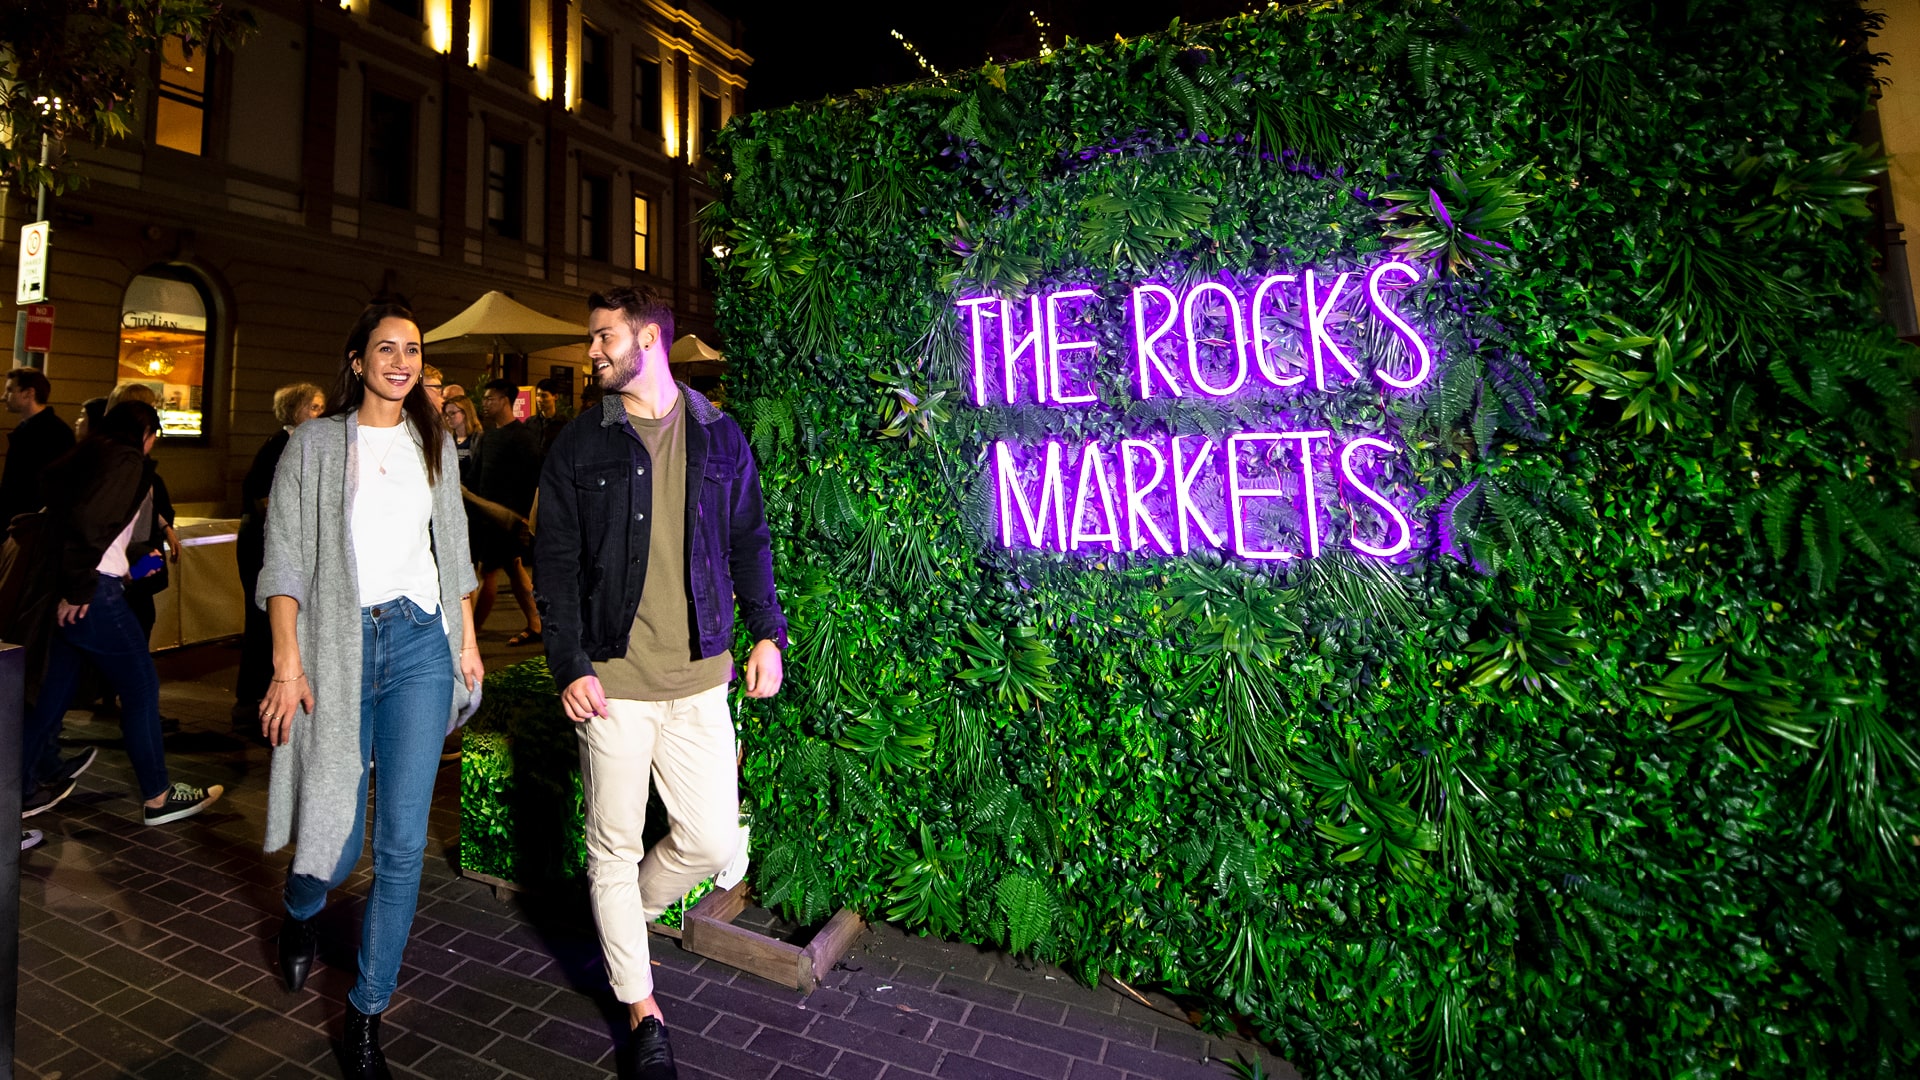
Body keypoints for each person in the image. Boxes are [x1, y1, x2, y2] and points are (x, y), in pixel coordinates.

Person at [534, 286, 787, 1079]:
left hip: (701, 678)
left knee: (712, 838)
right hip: (612, 681)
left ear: (648, 338)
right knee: (610, 845)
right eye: (590, 339)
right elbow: (555, 565)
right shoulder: (580, 443)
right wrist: (568, 662)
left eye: (603, 337)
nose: (591, 351)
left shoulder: (717, 434)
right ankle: (643, 1014)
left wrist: (767, 633)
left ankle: (625, 922)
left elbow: (750, 540)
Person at [257, 303, 482, 1078]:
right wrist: (288, 663)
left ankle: (365, 1014)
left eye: (412, 349)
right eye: (384, 347)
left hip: (421, 643)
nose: (401, 359)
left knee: (401, 846)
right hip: (340, 647)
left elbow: (451, 546)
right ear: (356, 361)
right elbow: (283, 561)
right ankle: (301, 910)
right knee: (338, 835)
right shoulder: (315, 444)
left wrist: (469, 644)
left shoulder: (433, 443)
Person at [19, 400, 224, 824]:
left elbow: (90, 527)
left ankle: (23, 783)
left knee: (52, 694)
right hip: (95, 594)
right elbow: (91, 525)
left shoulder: (92, 457)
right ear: (146, 433)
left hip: (78, 589)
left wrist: (87, 582)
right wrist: (80, 590)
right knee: (141, 688)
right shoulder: (127, 460)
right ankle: (158, 796)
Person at [233, 382, 327, 732]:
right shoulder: (280, 446)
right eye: (314, 407)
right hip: (263, 545)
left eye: (322, 407)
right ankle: (254, 704)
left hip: (272, 543)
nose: (320, 414)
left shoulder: (295, 444)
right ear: (295, 410)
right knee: (264, 621)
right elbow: (265, 501)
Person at [469, 378, 542, 645]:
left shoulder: (522, 437)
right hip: (487, 518)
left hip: (508, 520)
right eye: (484, 399)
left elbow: (533, 479)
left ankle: (471, 636)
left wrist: (524, 518)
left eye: (490, 398)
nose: (485, 403)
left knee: (487, 572)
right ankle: (537, 625)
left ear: (505, 400)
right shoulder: (488, 436)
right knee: (513, 569)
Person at [0, 367, 75, 525]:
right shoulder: (36, 429)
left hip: (30, 526)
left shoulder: (52, 434)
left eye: (9, 390)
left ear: (28, 393)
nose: (3, 397)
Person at [441, 393, 480, 482]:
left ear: (465, 413)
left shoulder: (478, 438)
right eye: (446, 414)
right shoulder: (447, 439)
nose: (447, 418)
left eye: (452, 413)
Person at [526, 377, 569, 456]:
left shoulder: (565, 425)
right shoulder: (529, 423)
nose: (539, 399)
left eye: (544, 396)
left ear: (555, 397)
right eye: (538, 395)